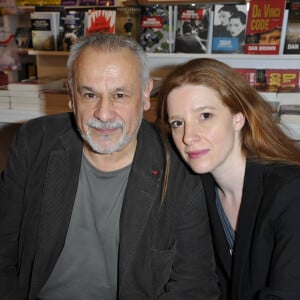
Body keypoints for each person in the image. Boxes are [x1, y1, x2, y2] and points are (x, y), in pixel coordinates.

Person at [0, 33, 219, 300]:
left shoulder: (180, 167)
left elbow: (195, 285)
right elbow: (4, 252)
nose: (104, 114)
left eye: (119, 95)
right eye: (89, 94)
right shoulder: (34, 142)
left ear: (146, 94)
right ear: (71, 95)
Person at [156, 57, 300, 299]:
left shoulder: (290, 192)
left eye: (205, 116)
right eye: (178, 123)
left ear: (238, 119)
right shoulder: (197, 189)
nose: (188, 137)